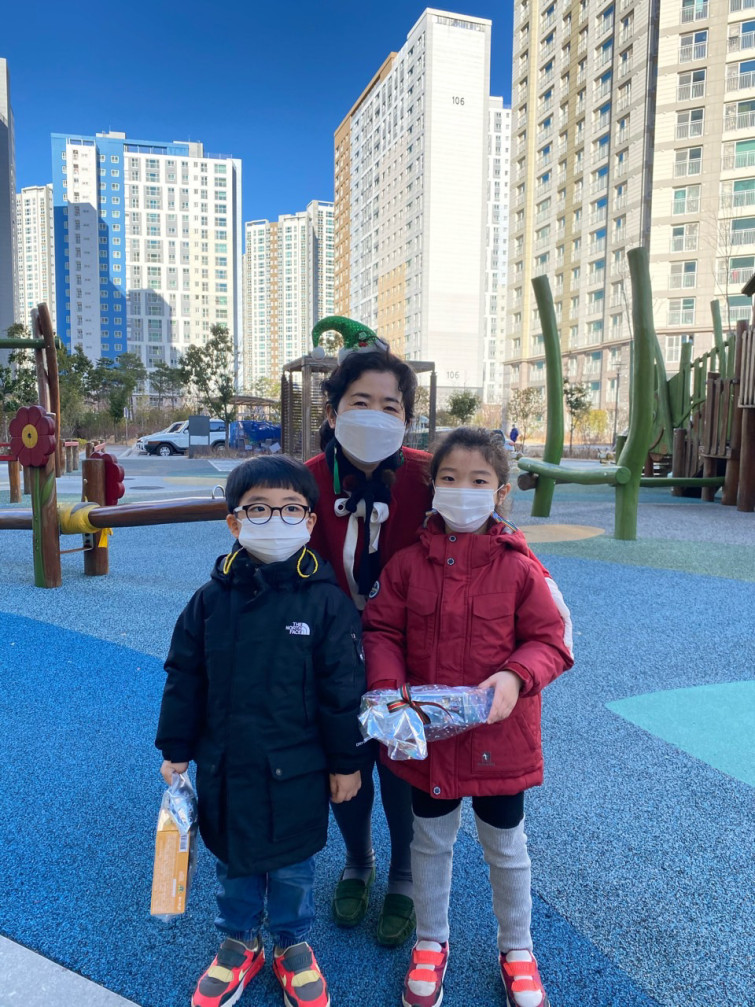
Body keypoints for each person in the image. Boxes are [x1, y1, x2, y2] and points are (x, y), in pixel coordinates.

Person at [362, 427, 574, 1007]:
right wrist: (389, 691)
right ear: (432, 486)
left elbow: (551, 640)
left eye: (478, 480)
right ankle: (431, 941)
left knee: (506, 848)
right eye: (450, 478)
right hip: (428, 736)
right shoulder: (408, 565)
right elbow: (381, 630)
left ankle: (518, 948)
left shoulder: (519, 567)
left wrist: (516, 676)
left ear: (500, 491)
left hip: (500, 738)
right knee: (430, 842)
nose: (462, 490)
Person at [155, 455, 366, 1007]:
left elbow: (343, 690)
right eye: (259, 510)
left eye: (290, 509)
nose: (276, 520)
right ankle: (239, 940)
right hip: (227, 764)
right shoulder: (209, 601)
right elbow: (184, 674)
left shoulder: (325, 602)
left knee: (293, 867)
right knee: (234, 862)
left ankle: (292, 942)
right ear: (234, 521)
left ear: (310, 521)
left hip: (299, 767)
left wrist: (346, 762)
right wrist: (176, 747)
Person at [306, 319, 432, 948]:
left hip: (412, 647)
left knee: (402, 757)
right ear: (332, 413)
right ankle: (359, 859)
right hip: (330, 650)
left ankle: (406, 871)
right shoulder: (304, 479)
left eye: (391, 406)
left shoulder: (430, 476)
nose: (376, 415)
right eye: (361, 402)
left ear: (407, 418)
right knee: (344, 753)